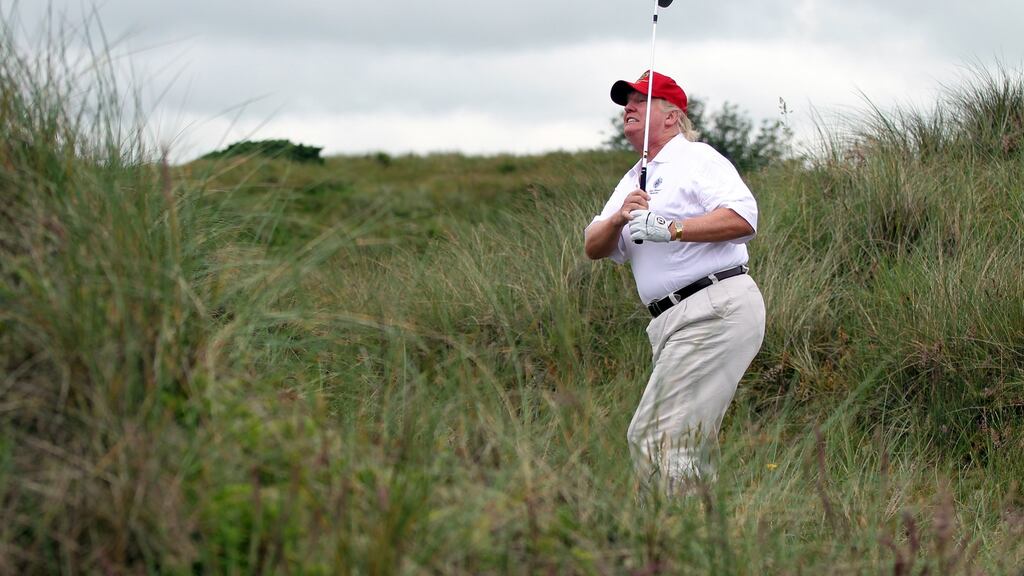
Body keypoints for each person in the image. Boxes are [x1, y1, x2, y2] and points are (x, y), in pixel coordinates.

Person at [584, 70, 766, 494]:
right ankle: (708, 542)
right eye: (626, 102)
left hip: (713, 306)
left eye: (641, 101)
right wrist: (616, 218)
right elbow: (593, 245)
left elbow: (743, 219)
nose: (628, 108)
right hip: (673, 321)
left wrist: (671, 227)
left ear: (671, 116)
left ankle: (671, 547)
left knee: (656, 438)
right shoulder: (633, 179)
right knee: (684, 444)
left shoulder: (696, 158)